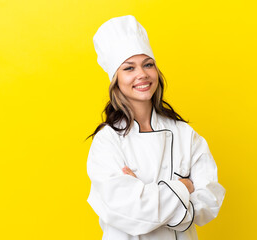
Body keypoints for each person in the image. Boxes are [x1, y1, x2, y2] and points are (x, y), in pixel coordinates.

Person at [86, 15, 225, 240]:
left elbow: (210, 200)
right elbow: (127, 210)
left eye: (148, 64)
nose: (142, 74)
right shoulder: (107, 141)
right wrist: (184, 186)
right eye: (129, 68)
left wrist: (145, 193)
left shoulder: (185, 135)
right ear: (116, 80)